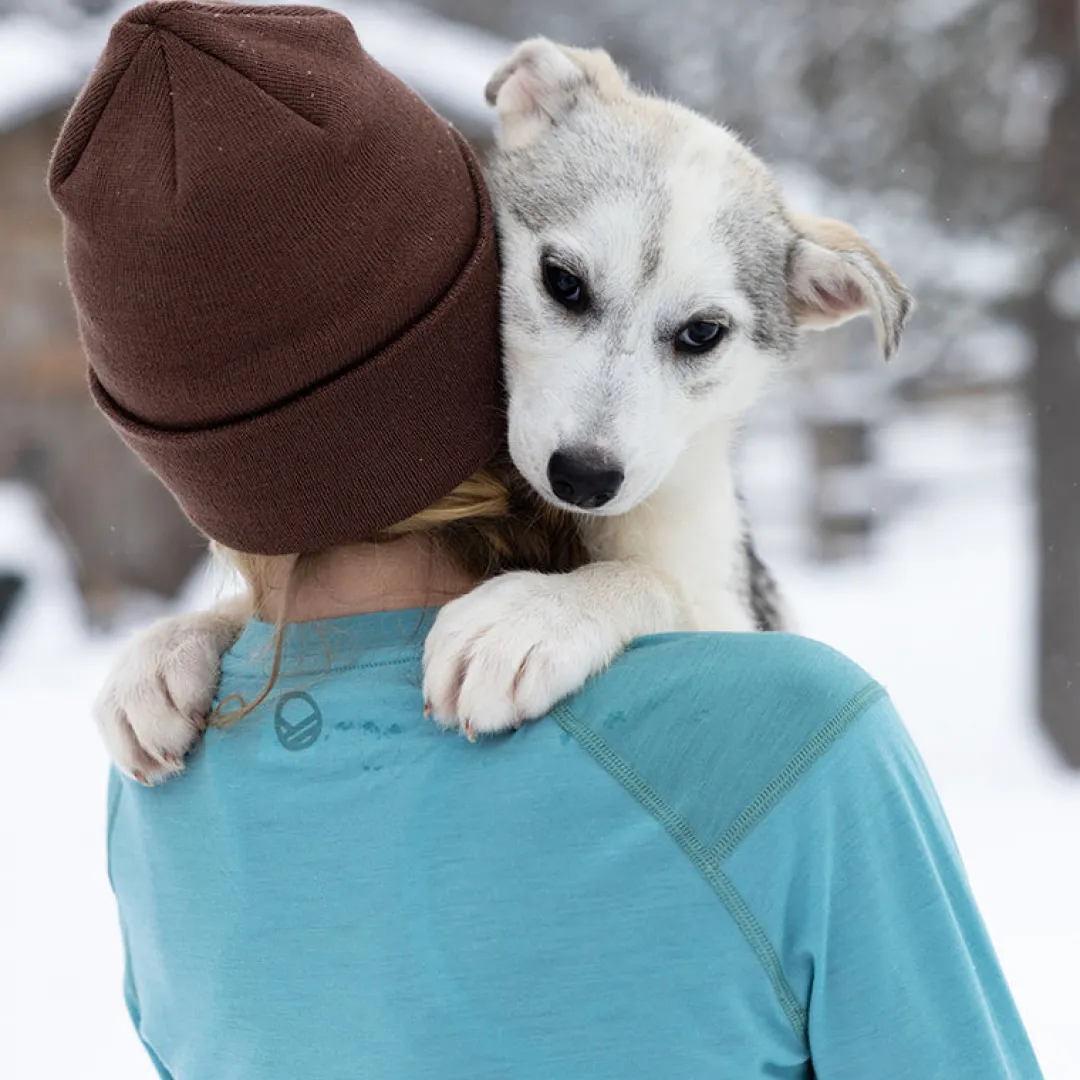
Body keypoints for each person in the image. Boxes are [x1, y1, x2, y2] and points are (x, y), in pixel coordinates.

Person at [53, 3, 1042, 1078]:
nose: (592, 439)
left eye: (697, 338)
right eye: (563, 289)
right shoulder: (799, 748)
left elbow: (699, 607)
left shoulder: (160, 798)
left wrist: (605, 598)